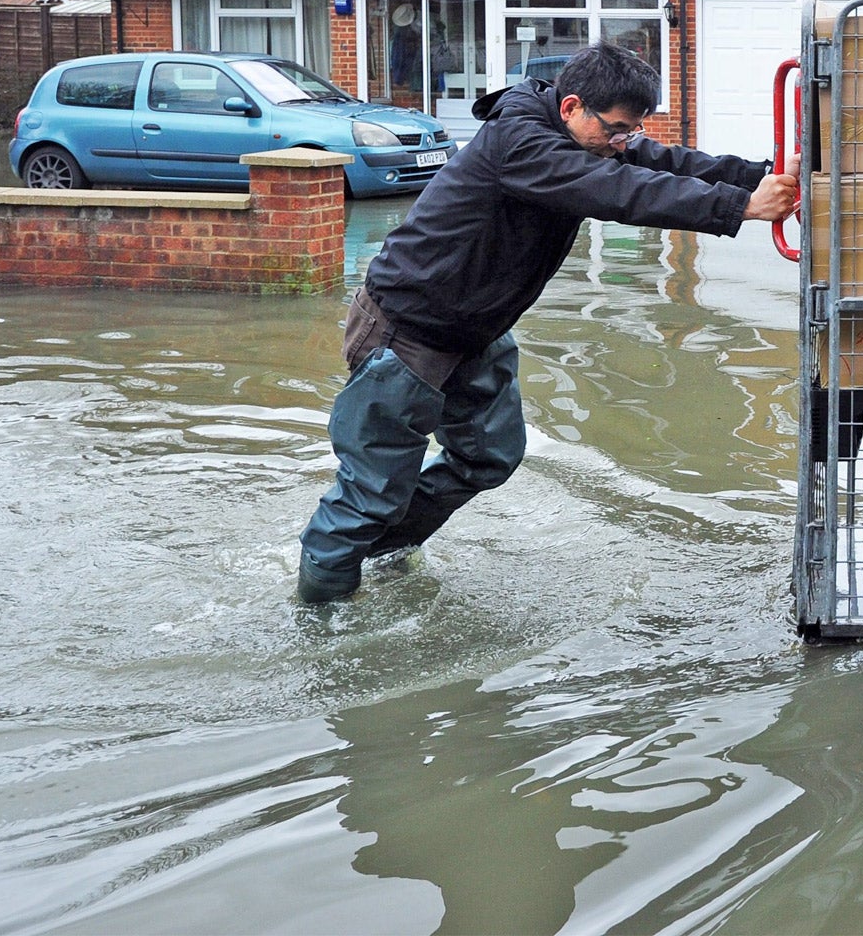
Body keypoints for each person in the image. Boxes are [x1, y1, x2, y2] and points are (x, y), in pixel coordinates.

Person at [297, 43, 798, 604]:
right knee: (370, 494)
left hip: (475, 330)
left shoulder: (587, 136)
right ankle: (322, 622)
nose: (621, 142)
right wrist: (739, 207)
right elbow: (616, 192)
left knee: (488, 457)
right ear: (572, 107)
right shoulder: (523, 146)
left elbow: (659, 164)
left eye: (628, 131)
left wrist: (763, 177)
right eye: (615, 129)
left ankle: (384, 554)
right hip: (406, 332)